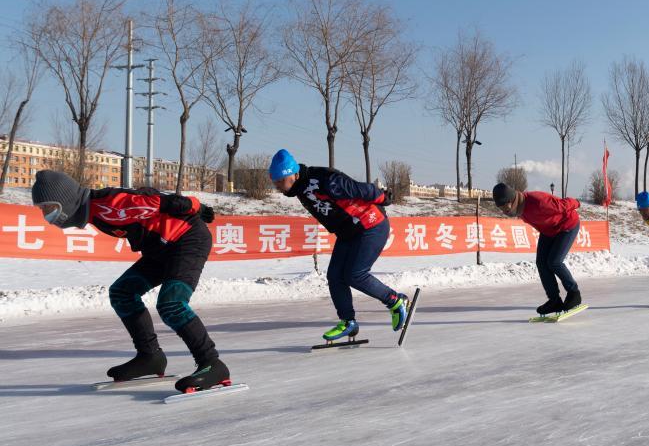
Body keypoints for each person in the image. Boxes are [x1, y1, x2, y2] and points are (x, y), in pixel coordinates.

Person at [30, 170, 227, 392]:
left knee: (171, 303)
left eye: (48, 207)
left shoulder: (111, 204)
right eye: (42, 209)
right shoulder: (95, 211)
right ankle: (150, 356)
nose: (46, 215)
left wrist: (197, 208)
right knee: (122, 292)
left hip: (188, 240)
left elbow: (165, 201)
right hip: (161, 249)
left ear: (65, 200)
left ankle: (212, 363)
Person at [268, 149, 407, 341]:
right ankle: (348, 322)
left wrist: (382, 196)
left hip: (370, 224)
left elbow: (358, 188)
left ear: (293, 173)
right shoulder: (299, 187)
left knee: (354, 274)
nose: (279, 187)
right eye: (275, 183)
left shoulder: (325, 179)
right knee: (335, 276)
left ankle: (395, 301)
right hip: (348, 232)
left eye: (281, 182)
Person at [492, 183, 582, 316]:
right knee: (541, 263)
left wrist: (577, 202)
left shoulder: (538, 201)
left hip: (567, 225)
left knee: (554, 262)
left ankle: (574, 294)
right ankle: (554, 301)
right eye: (501, 208)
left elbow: (563, 205)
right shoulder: (518, 209)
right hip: (548, 231)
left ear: (512, 200)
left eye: (505, 206)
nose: (504, 211)